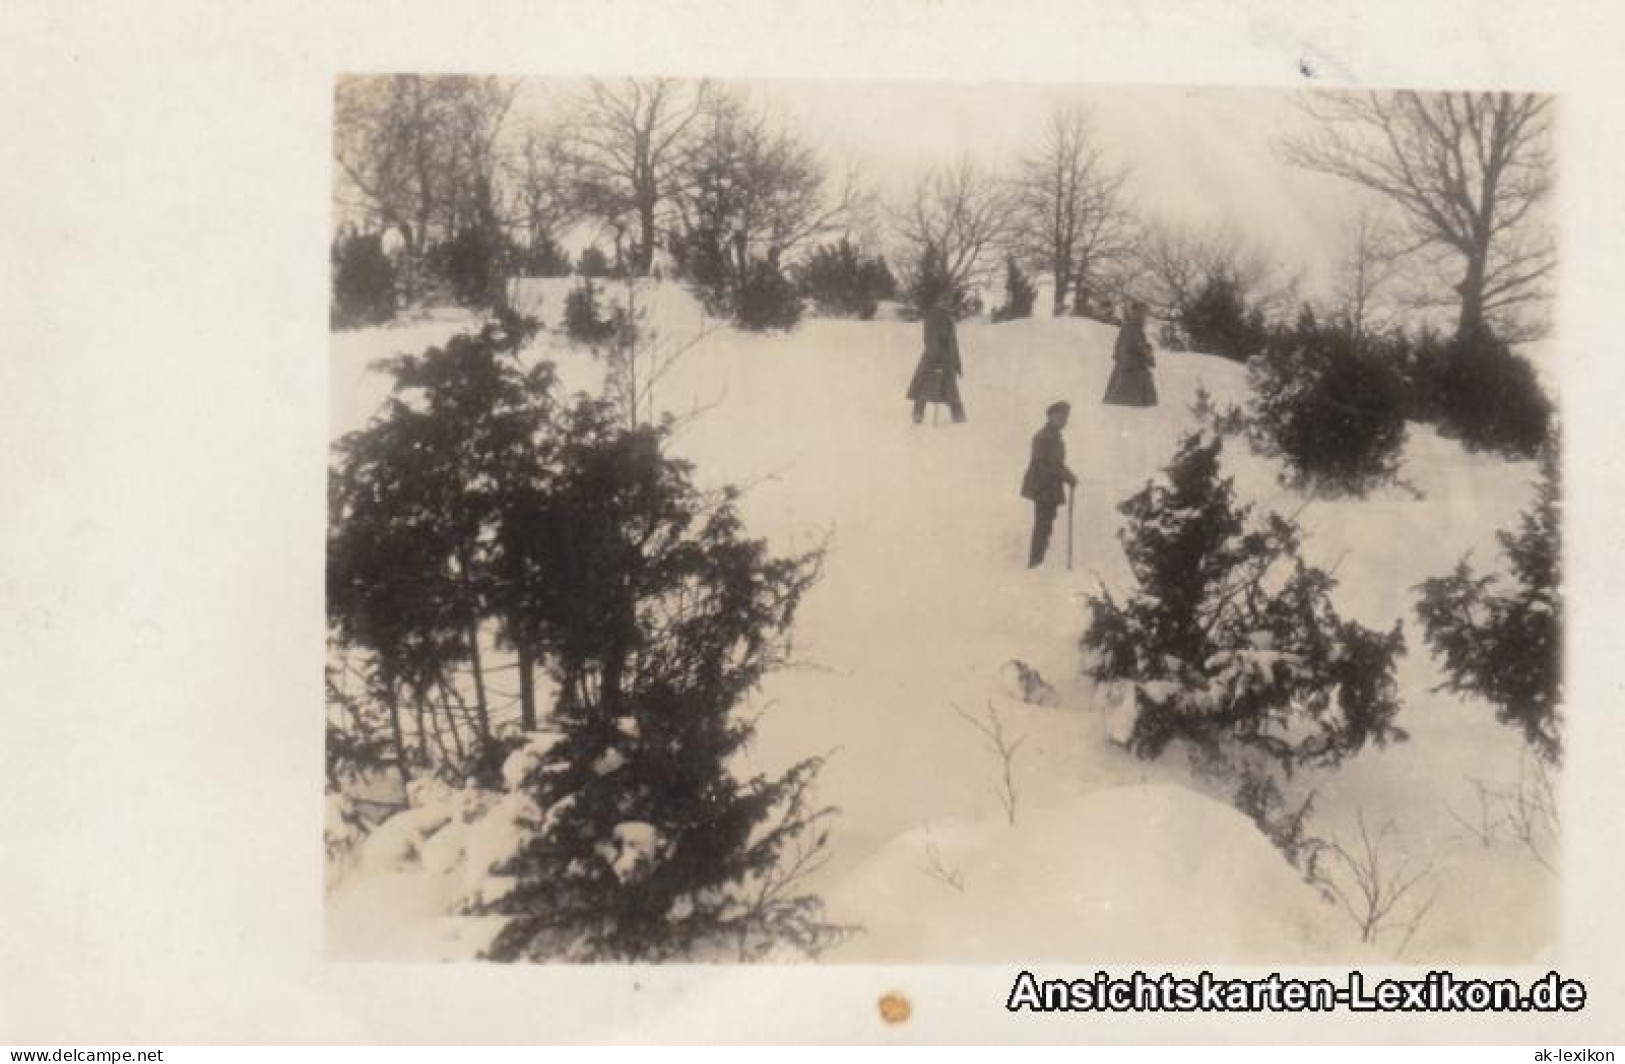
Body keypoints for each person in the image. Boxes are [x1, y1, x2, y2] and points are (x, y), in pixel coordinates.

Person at [1020, 401, 1079, 568]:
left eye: (1066, 417)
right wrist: (1068, 476)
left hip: (1048, 486)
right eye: (1060, 416)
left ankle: (1038, 560)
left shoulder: (1053, 436)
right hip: (1043, 486)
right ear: (1051, 416)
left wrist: (1067, 476)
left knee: (1046, 523)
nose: (1064, 420)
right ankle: (1035, 562)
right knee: (1043, 524)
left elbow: (1055, 463)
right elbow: (1049, 464)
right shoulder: (1044, 437)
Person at [906, 299, 967, 423]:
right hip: (932, 361)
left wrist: (957, 364)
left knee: (952, 392)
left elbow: (953, 344)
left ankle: (959, 420)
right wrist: (937, 361)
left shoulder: (948, 318)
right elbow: (931, 341)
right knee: (924, 389)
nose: (947, 302)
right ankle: (917, 417)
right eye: (944, 299)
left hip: (947, 361)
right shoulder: (933, 317)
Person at [1102, 300, 1158, 407]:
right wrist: (1147, 352)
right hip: (1131, 371)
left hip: (1128, 369)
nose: (1143, 317)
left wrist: (1147, 351)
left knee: (1126, 404)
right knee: (1129, 406)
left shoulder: (1132, 328)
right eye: (1140, 313)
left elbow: (1121, 349)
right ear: (1134, 313)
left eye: (1144, 314)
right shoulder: (1131, 328)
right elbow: (1135, 347)